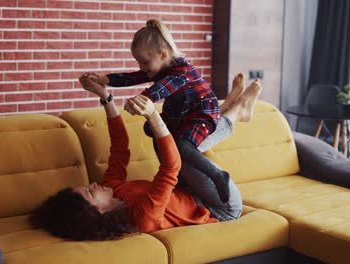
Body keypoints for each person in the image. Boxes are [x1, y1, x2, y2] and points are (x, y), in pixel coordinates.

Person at [30, 73, 262, 241]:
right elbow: (172, 167)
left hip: (189, 190)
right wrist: (152, 115)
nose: (93, 184)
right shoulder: (143, 218)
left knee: (182, 141)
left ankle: (228, 111)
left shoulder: (111, 187)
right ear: (98, 213)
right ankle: (234, 113)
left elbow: (120, 147)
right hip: (220, 206)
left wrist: (105, 97)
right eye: (90, 192)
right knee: (182, 148)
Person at [83, 19, 250, 203]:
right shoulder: (158, 67)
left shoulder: (183, 71)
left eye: (144, 62)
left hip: (201, 112)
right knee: (155, 134)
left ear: (163, 55)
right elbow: (132, 77)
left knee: (182, 146)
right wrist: (104, 79)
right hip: (180, 114)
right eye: (138, 62)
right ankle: (177, 178)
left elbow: (163, 88)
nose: (142, 67)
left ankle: (218, 175)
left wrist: (144, 98)